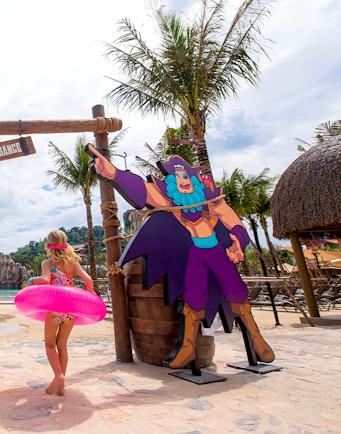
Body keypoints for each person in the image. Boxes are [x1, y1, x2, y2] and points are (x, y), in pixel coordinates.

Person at [85, 143, 274, 367]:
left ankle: (255, 337)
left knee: (235, 291)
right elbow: (142, 190)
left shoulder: (209, 197)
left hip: (216, 251)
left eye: (185, 174)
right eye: (177, 175)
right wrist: (114, 174)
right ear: (171, 181)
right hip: (195, 252)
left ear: (193, 178)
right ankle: (187, 347)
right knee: (192, 298)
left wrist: (238, 242)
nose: (182, 178)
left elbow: (232, 220)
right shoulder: (170, 201)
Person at [28, 229, 93, 396]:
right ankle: (61, 387)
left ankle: (58, 375)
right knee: (62, 345)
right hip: (69, 310)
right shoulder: (73, 262)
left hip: (53, 308)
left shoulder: (48, 263)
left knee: (50, 345)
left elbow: (43, 280)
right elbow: (88, 279)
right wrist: (90, 297)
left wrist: (30, 281)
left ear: (48, 245)